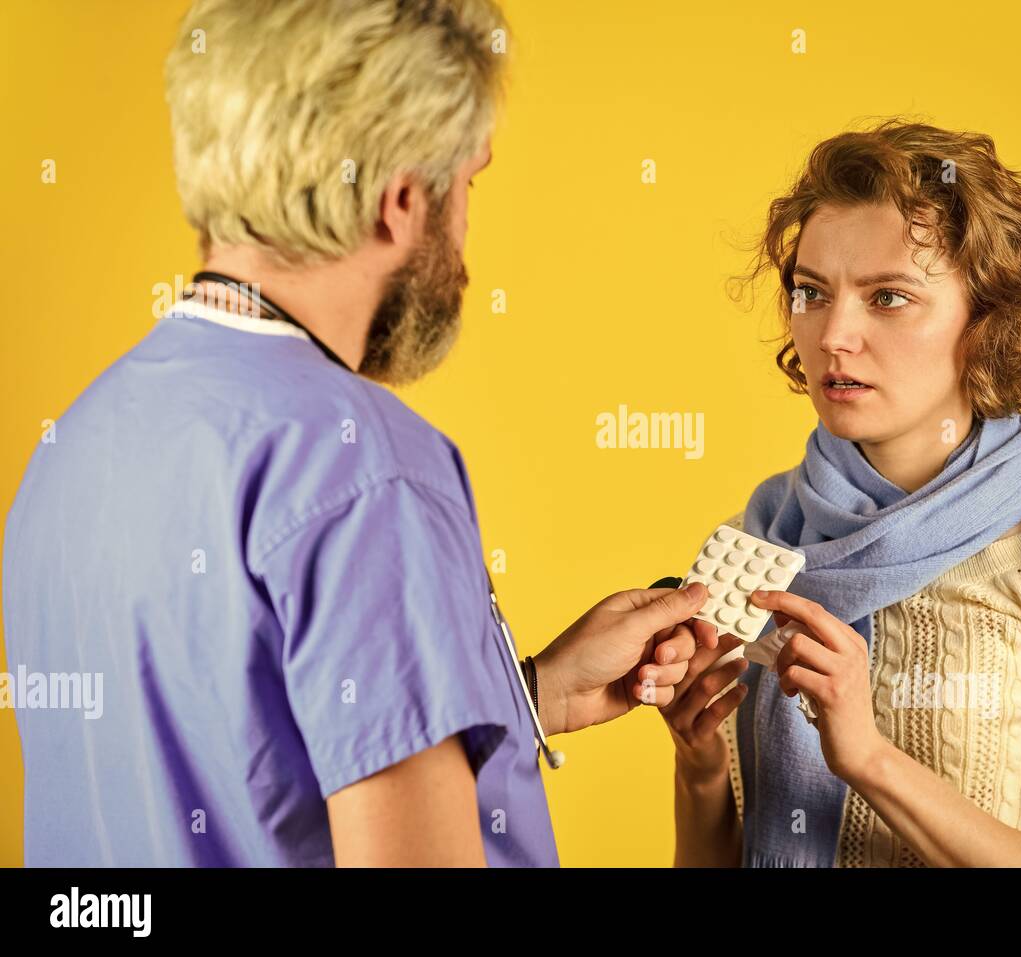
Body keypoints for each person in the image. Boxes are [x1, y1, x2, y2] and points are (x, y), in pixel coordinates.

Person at [1, 0, 715, 867]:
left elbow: (237, 769)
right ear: (401, 201)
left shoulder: (76, 443)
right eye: (468, 185)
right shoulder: (370, 469)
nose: (463, 232)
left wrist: (527, 695)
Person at [660, 120, 1021, 867]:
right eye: (812, 291)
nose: (834, 334)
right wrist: (702, 762)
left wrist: (870, 759)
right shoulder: (760, 535)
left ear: (988, 320)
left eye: (888, 297)